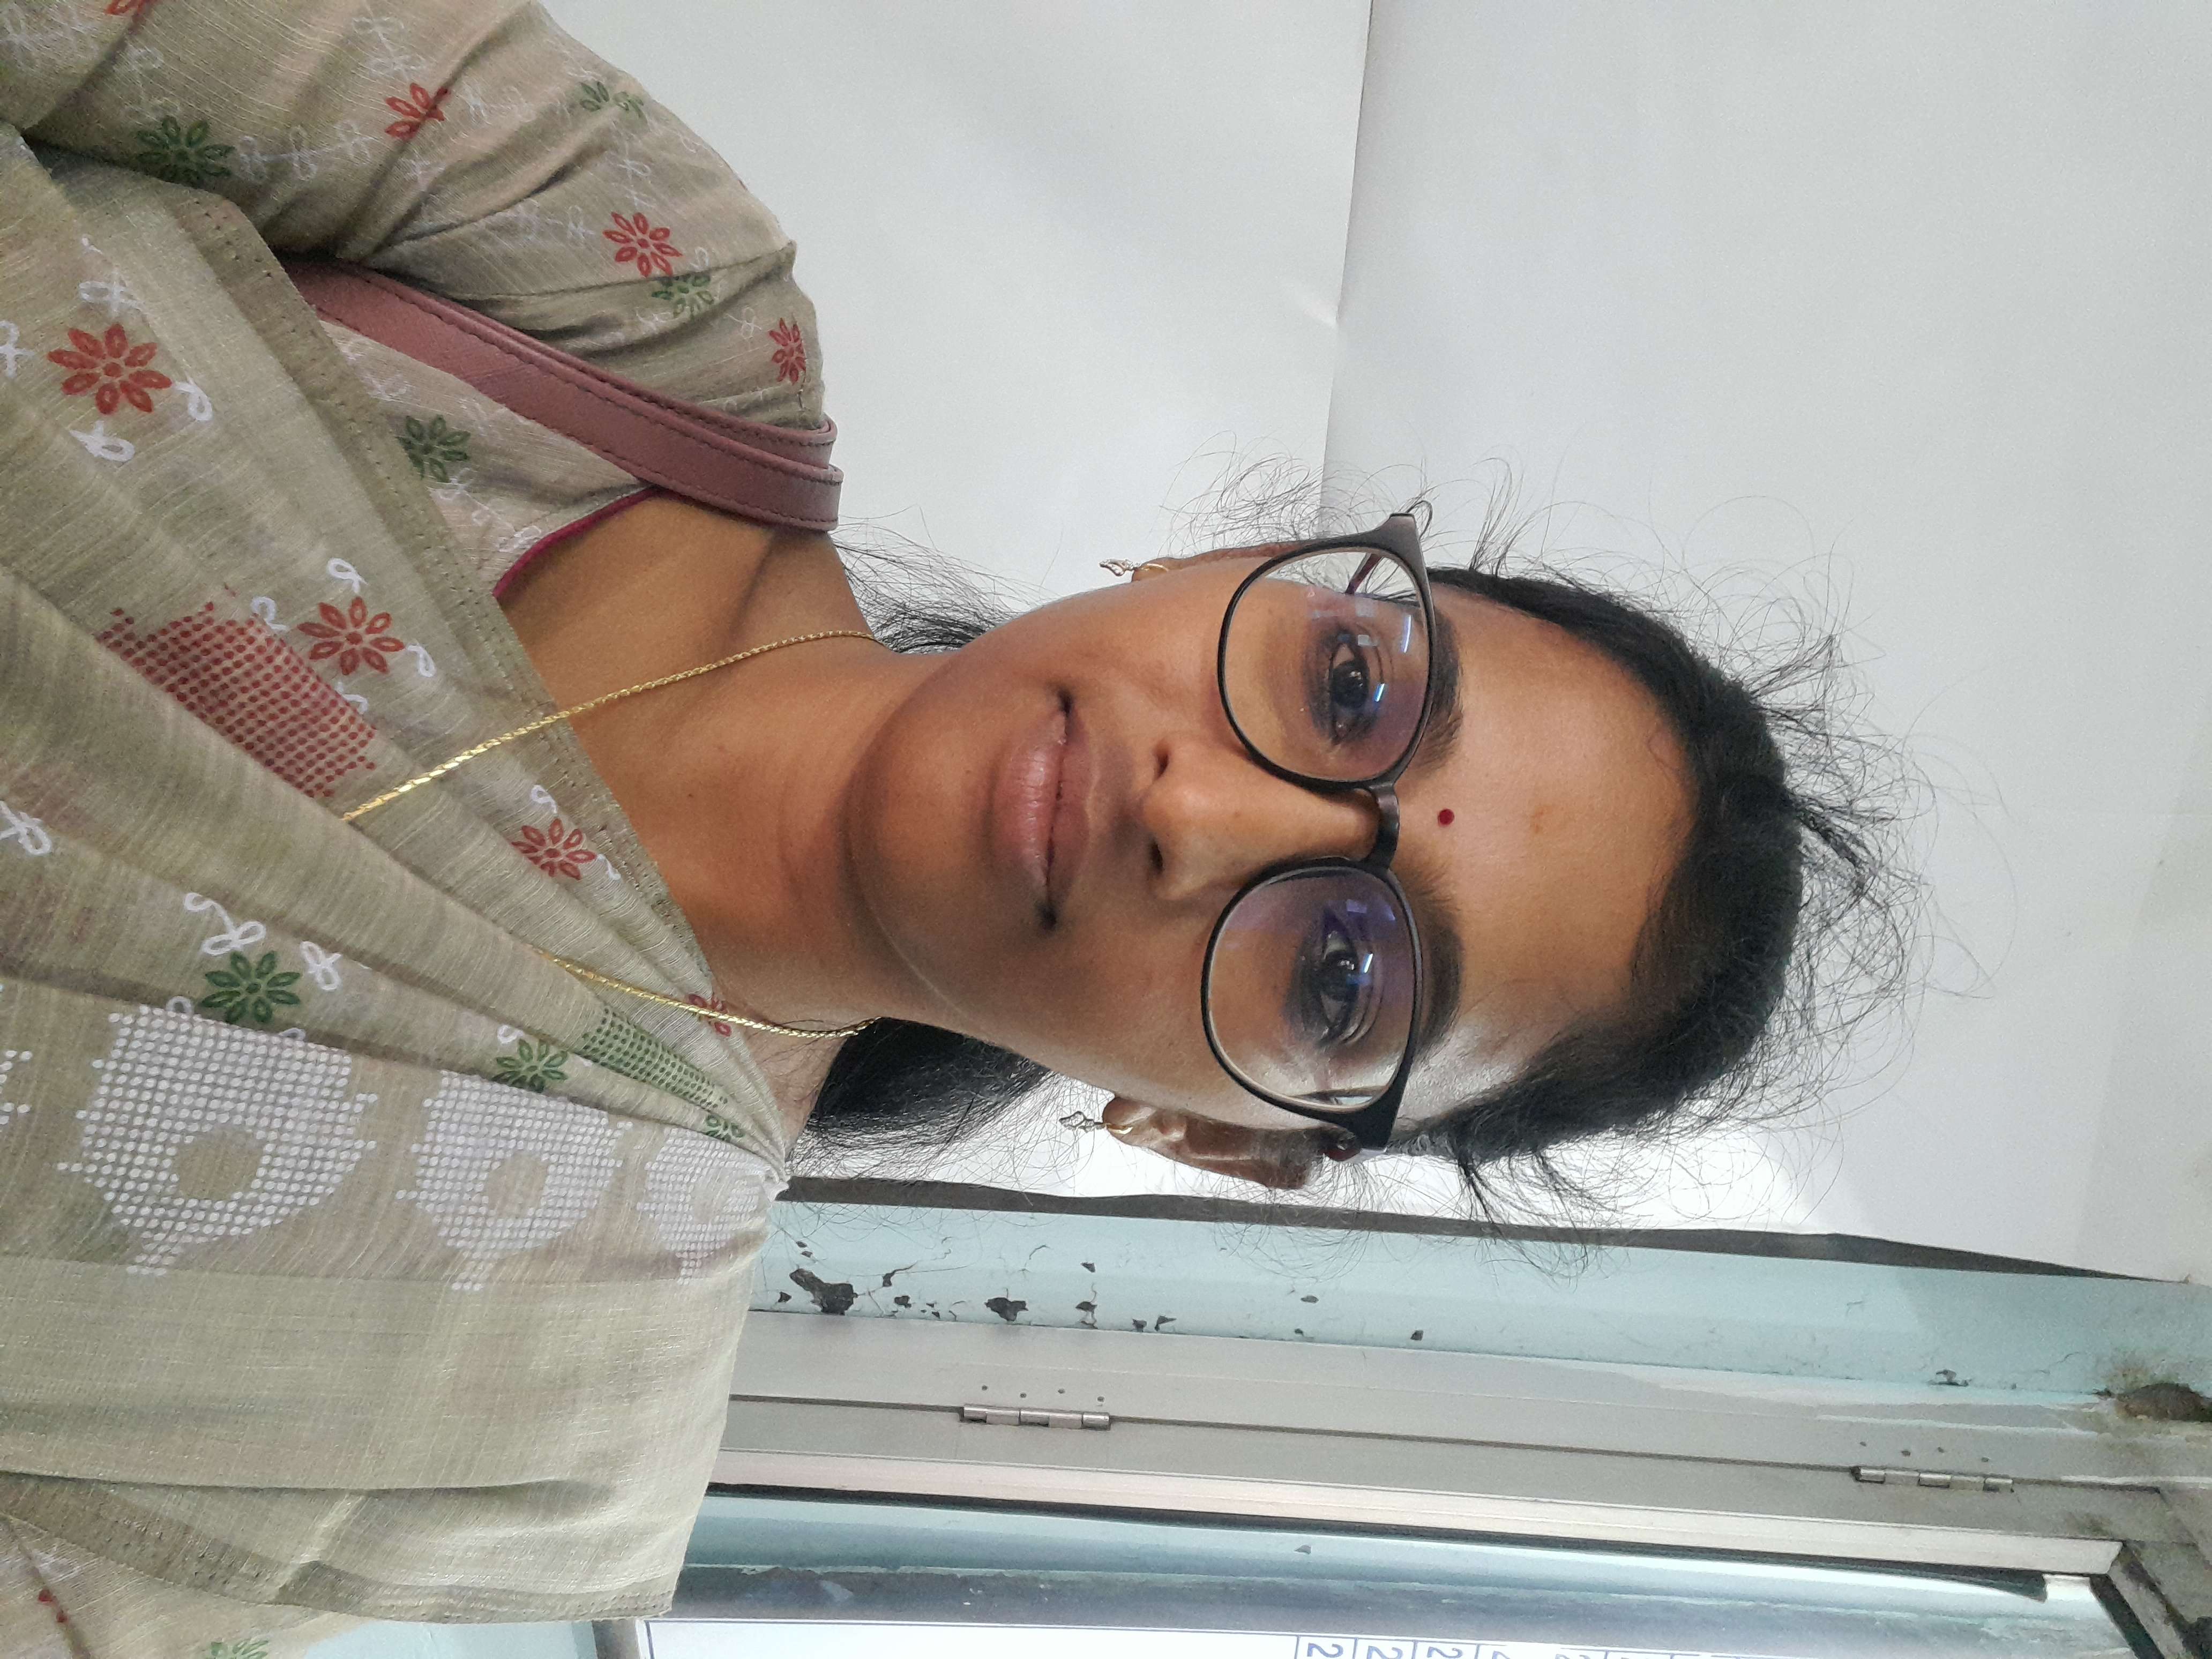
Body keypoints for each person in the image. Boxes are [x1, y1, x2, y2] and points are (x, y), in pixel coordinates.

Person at [0, 1, 1899, 1650]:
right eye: (1347, 688)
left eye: (1343, 971)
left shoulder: (524, 1393)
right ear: (1247, 555)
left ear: (1225, 1139)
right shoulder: (633, 283)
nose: (1198, 810)